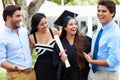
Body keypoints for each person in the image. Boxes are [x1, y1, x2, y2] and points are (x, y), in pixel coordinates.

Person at [83, 0, 120, 80]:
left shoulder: (115, 34)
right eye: (99, 11)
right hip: (94, 71)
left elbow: (113, 61)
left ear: (112, 13)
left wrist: (92, 61)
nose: (100, 14)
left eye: (104, 11)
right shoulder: (101, 26)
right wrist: (93, 54)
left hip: (106, 75)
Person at [0, 5, 36, 80]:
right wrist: (15, 68)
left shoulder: (25, 32)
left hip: (31, 74)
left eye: (20, 16)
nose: (20, 19)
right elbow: (1, 61)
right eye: (18, 16)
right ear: (8, 18)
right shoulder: (2, 36)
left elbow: (32, 44)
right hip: (15, 75)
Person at [54, 10, 92, 80]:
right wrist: (62, 61)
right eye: (71, 24)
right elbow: (55, 64)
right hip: (67, 77)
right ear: (65, 27)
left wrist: (90, 57)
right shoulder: (59, 44)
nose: (74, 26)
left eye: (75, 24)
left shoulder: (85, 40)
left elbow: (93, 53)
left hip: (83, 76)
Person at [29, 13, 59, 80]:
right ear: (36, 26)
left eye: (46, 22)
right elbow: (29, 55)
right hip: (41, 69)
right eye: (42, 24)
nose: (45, 25)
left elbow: (63, 44)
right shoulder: (32, 37)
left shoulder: (54, 31)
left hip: (55, 66)